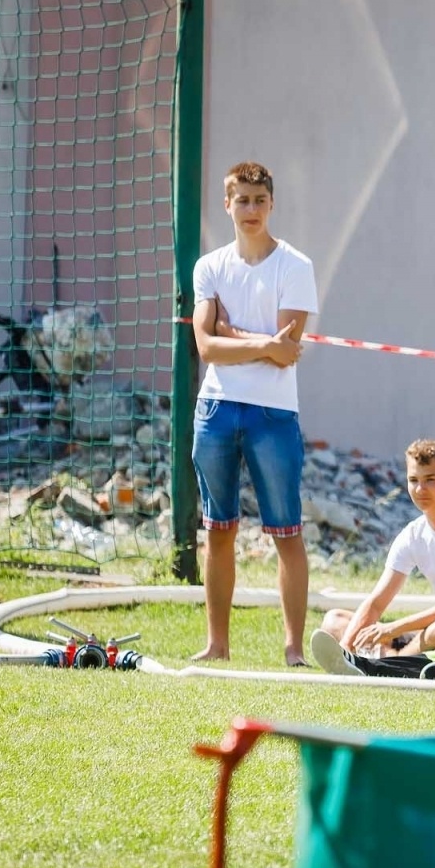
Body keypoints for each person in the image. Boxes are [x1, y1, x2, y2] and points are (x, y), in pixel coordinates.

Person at [189, 161, 318, 666]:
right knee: (219, 530)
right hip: (216, 409)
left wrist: (235, 333)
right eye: (240, 200)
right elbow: (205, 346)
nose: (250, 209)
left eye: (258, 200)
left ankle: (293, 649)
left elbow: (288, 349)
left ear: (271, 204)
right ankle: (217, 646)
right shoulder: (210, 267)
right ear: (227, 204)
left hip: (273, 414)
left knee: (287, 532)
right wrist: (262, 343)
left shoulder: (295, 266)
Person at [307, 439, 435, 670]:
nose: (420, 489)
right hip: (431, 632)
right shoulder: (413, 534)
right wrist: (346, 648)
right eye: (413, 480)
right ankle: (367, 662)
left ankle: (388, 665)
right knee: (335, 620)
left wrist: (394, 628)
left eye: (430, 480)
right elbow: (376, 603)